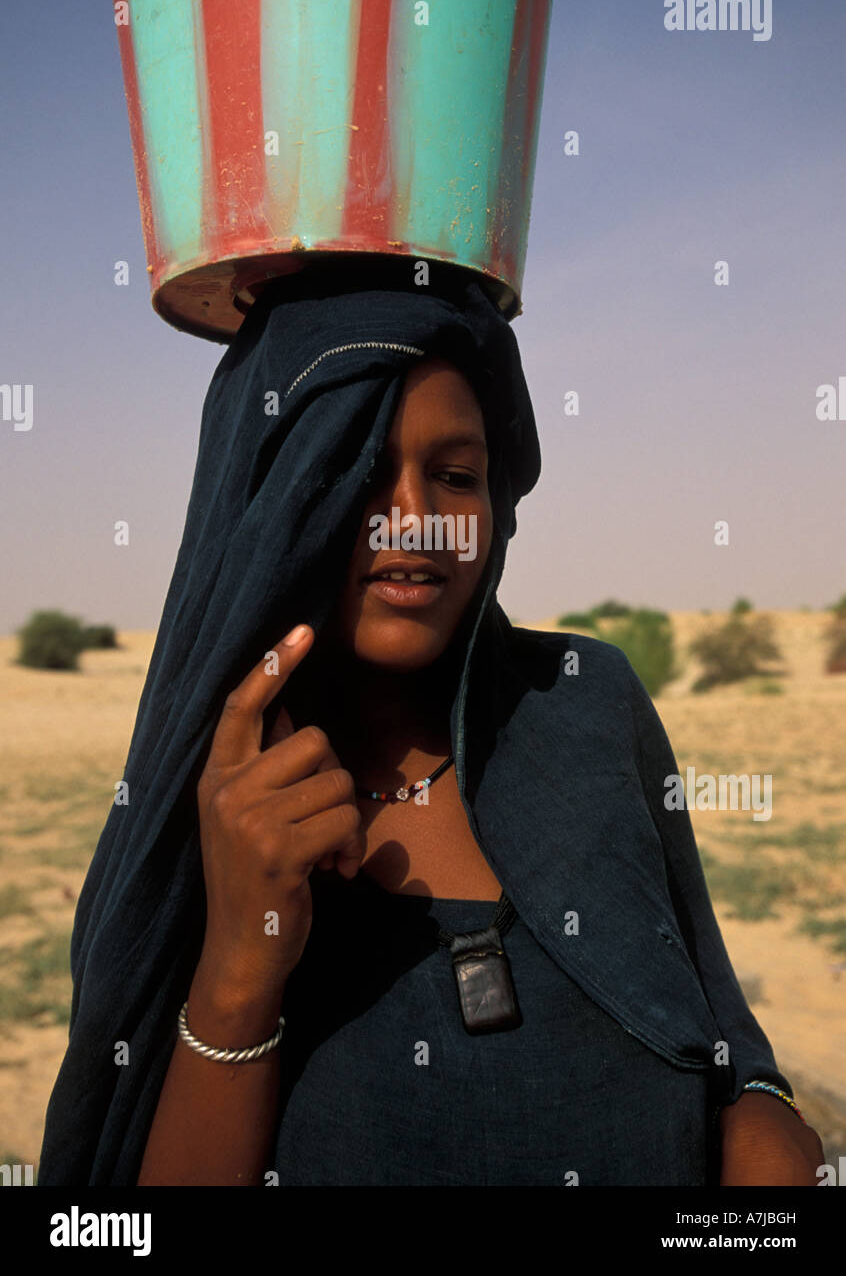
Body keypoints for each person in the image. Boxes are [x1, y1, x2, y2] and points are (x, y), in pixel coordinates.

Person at [38, 260, 824, 1186]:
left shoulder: (585, 703)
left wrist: (765, 1118)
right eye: (356, 473)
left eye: (455, 476)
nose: (413, 522)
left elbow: (721, 1025)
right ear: (269, 506)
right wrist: (239, 971)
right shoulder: (216, 805)